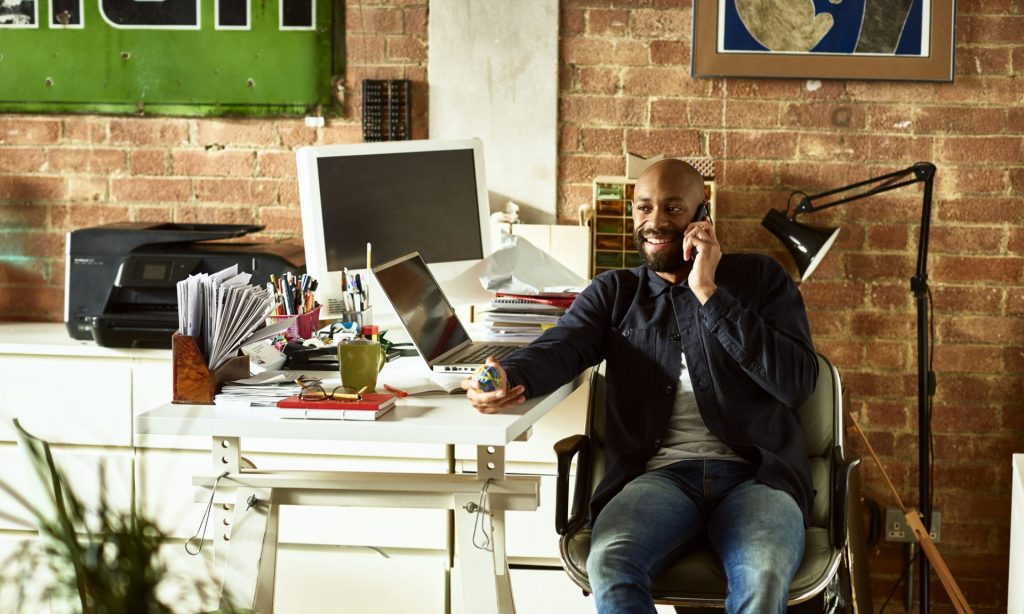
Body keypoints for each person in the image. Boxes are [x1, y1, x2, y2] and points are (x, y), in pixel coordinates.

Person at [462, 159, 819, 613]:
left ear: (702, 217)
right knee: (610, 562)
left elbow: (798, 383)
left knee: (763, 571)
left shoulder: (760, 279)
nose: (655, 222)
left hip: (757, 476)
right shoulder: (615, 293)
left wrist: (708, 292)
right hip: (657, 478)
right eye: (644, 208)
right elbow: (562, 346)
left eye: (673, 208)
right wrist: (509, 376)